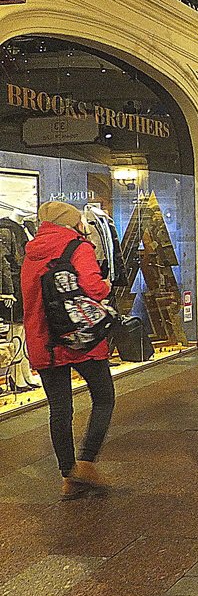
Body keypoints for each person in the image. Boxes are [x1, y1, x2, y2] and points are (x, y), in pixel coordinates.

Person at [20, 202, 115, 499]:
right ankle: (86, 463)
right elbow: (94, 289)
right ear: (71, 223)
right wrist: (105, 285)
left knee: (60, 408)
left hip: (44, 340)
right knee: (103, 397)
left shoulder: (31, 252)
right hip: (79, 338)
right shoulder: (78, 247)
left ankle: (67, 476)